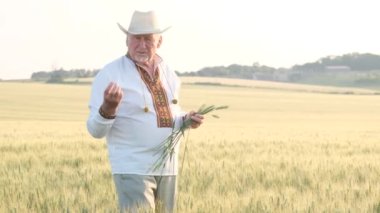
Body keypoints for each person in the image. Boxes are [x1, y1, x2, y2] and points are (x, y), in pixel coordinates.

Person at [86, 10, 204, 212]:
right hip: (133, 167)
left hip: (168, 167)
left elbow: (166, 116)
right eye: (136, 39)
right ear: (126, 41)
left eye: (148, 40)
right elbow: (95, 131)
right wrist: (108, 107)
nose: (141, 45)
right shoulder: (111, 73)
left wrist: (186, 120)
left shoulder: (169, 73)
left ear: (159, 42)